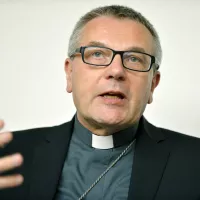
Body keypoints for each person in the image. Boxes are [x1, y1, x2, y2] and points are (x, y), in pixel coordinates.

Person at [0, 4, 200, 200]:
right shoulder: (8, 156)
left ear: (152, 85)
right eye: (97, 54)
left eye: (134, 59)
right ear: (70, 73)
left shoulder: (194, 162)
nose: (116, 71)